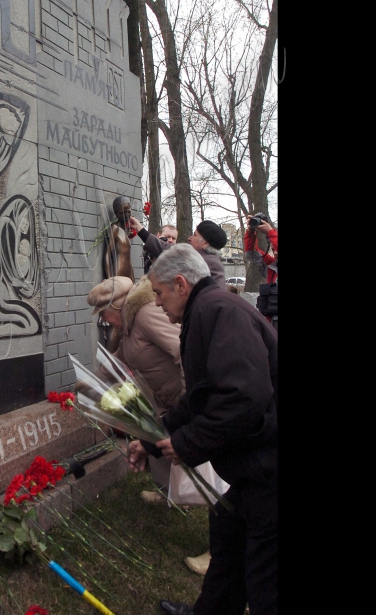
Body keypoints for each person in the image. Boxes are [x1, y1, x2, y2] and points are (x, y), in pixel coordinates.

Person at [128, 244, 277, 615]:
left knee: (264, 578)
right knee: (227, 550)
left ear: (180, 284)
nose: (158, 304)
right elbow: (200, 398)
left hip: (269, 468)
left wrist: (188, 442)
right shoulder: (206, 311)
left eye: (159, 294)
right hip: (251, 466)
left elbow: (244, 396)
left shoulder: (218, 311)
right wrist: (151, 439)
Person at [87, 275, 185, 499]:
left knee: (179, 443)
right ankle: (168, 492)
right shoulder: (130, 324)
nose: (105, 321)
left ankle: (190, 493)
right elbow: (120, 359)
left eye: (103, 314)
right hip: (162, 397)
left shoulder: (145, 315)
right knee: (155, 438)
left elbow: (183, 348)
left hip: (179, 394)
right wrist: (90, 384)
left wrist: (188, 394)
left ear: (115, 307)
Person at [244, 216, 278, 331]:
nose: (276, 252)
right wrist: (251, 233)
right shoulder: (271, 266)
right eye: (273, 250)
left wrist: (270, 232)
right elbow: (251, 254)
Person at [188, 220, 227, 288]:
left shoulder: (210, 262)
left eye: (194, 235)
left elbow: (216, 294)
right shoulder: (204, 259)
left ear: (205, 243)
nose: (189, 238)